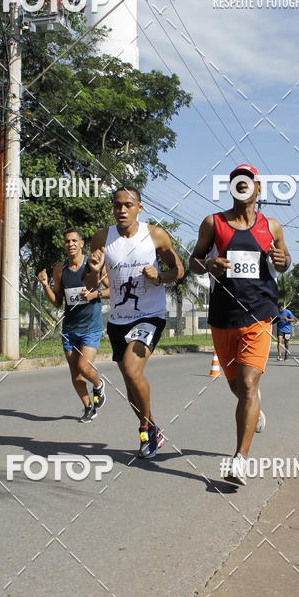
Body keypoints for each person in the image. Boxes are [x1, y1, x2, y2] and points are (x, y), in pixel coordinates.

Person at [189, 163, 291, 486]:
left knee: (248, 384)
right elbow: (193, 262)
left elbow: (285, 260)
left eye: (248, 181)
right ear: (231, 187)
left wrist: (283, 261)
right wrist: (208, 264)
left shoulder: (272, 226)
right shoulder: (213, 223)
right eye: (236, 180)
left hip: (259, 313)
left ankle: (239, 460)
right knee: (237, 387)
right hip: (223, 316)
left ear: (258, 188)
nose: (242, 184)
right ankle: (253, 410)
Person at [85, 186, 184, 459]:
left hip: (149, 315)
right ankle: (151, 428)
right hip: (118, 320)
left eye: (128, 205)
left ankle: (147, 429)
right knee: (130, 383)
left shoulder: (154, 235)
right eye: (117, 205)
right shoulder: (102, 238)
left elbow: (179, 269)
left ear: (139, 207)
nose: (122, 210)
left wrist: (159, 276)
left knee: (131, 368)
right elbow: (91, 283)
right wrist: (94, 271)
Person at [38, 228, 109, 422]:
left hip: (91, 327)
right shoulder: (60, 269)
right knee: (75, 373)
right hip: (70, 328)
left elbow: (112, 290)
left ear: (82, 243)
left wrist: (94, 295)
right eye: (67, 241)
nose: (70, 244)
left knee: (84, 367)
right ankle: (88, 407)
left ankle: (98, 384)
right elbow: (57, 301)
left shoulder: (93, 263)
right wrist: (45, 284)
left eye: (74, 241)